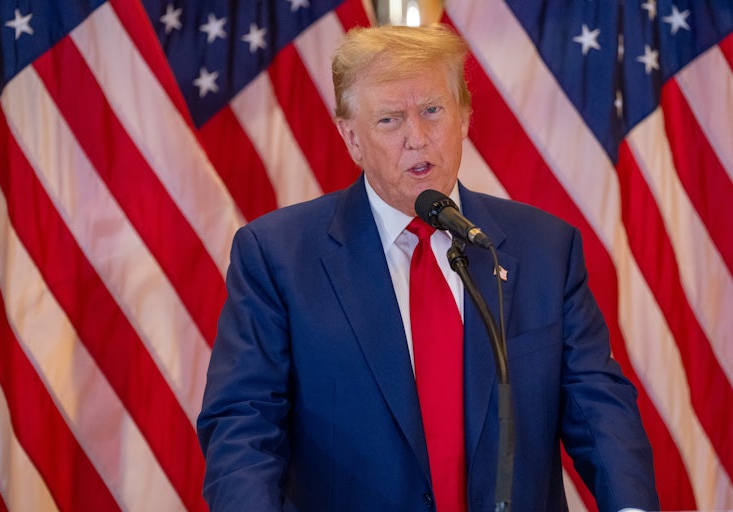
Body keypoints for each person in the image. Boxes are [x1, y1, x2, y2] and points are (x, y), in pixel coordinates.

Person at [197, 24, 660, 512]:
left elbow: (599, 408)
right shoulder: (277, 257)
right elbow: (243, 427)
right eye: (390, 120)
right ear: (351, 138)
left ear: (463, 118)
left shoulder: (545, 248)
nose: (417, 138)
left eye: (433, 111)